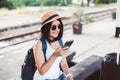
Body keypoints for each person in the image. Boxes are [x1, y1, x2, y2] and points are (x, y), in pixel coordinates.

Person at [33, 10, 74, 80]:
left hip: (59, 76)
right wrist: (55, 55)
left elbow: (63, 63)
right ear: (46, 28)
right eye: (53, 27)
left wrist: (68, 75)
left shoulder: (60, 41)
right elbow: (42, 71)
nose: (57, 30)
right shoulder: (39, 44)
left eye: (59, 26)